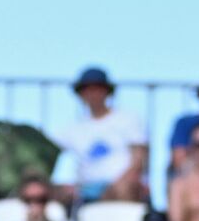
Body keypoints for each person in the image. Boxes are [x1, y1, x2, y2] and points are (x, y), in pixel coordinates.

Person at [56, 66, 148, 203]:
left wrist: (114, 187)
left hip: (120, 187)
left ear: (107, 91)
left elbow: (139, 161)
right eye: (87, 90)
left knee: (126, 187)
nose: (92, 94)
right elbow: (48, 151)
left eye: (97, 89)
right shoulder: (72, 129)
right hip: (84, 189)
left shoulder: (128, 119)